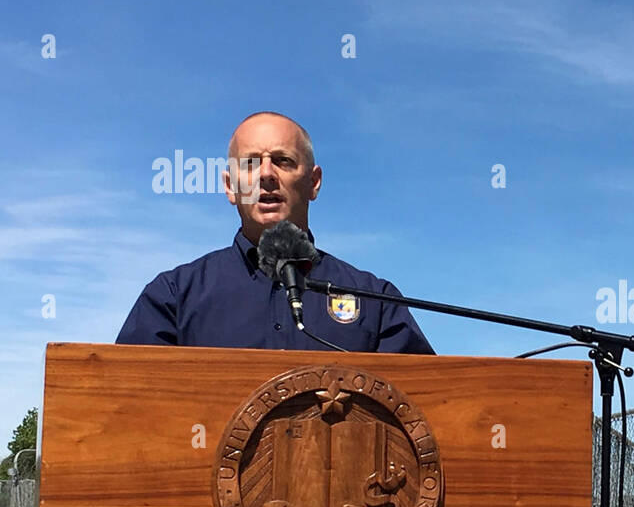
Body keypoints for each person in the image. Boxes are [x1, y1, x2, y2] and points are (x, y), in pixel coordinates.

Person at [116, 112, 434, 353]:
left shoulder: (375, 301)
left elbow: (429, 410)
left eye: (283, 161)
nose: (267, 174)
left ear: (313, 182)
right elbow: (123, 409)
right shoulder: (173, 297)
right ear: (230, 186)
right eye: (251, 162)